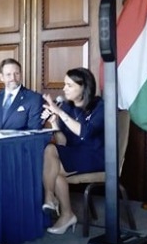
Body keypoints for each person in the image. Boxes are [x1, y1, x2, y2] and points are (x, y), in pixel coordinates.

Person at [41, 67, 104, 234]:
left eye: (69, 85)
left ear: (83, 87)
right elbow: (63, 142)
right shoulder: (67, 107)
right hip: (74, 153)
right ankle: (59, 207)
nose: (64, 89)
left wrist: (59, 112)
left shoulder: (99, 106)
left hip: (95, 155)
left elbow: (86, 132)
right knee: (51, 151)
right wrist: (54, 122)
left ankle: (56, 204)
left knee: (52, 168)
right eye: (64, 84)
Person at [0, 58, 43, 130]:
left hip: (20, 141)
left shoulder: (34, 98)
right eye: (8, 74)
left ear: (21, 75)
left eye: (16, 73)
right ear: (1, 77)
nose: (13, 78)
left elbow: (34, 131)